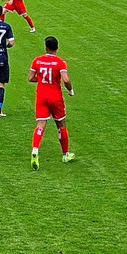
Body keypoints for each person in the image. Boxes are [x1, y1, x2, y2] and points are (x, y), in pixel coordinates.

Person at [27, 36, 75, 170]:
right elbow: (66, 80)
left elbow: (30, 78)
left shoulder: (37, 60)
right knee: (61, 124)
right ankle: (65, 154)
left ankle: (35, 149)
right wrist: (70, 90)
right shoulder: (60, 62)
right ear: (57, 48)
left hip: (41, 96)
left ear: (46, 47)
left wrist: (42, 79)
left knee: (40, 124)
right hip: (55, 97)